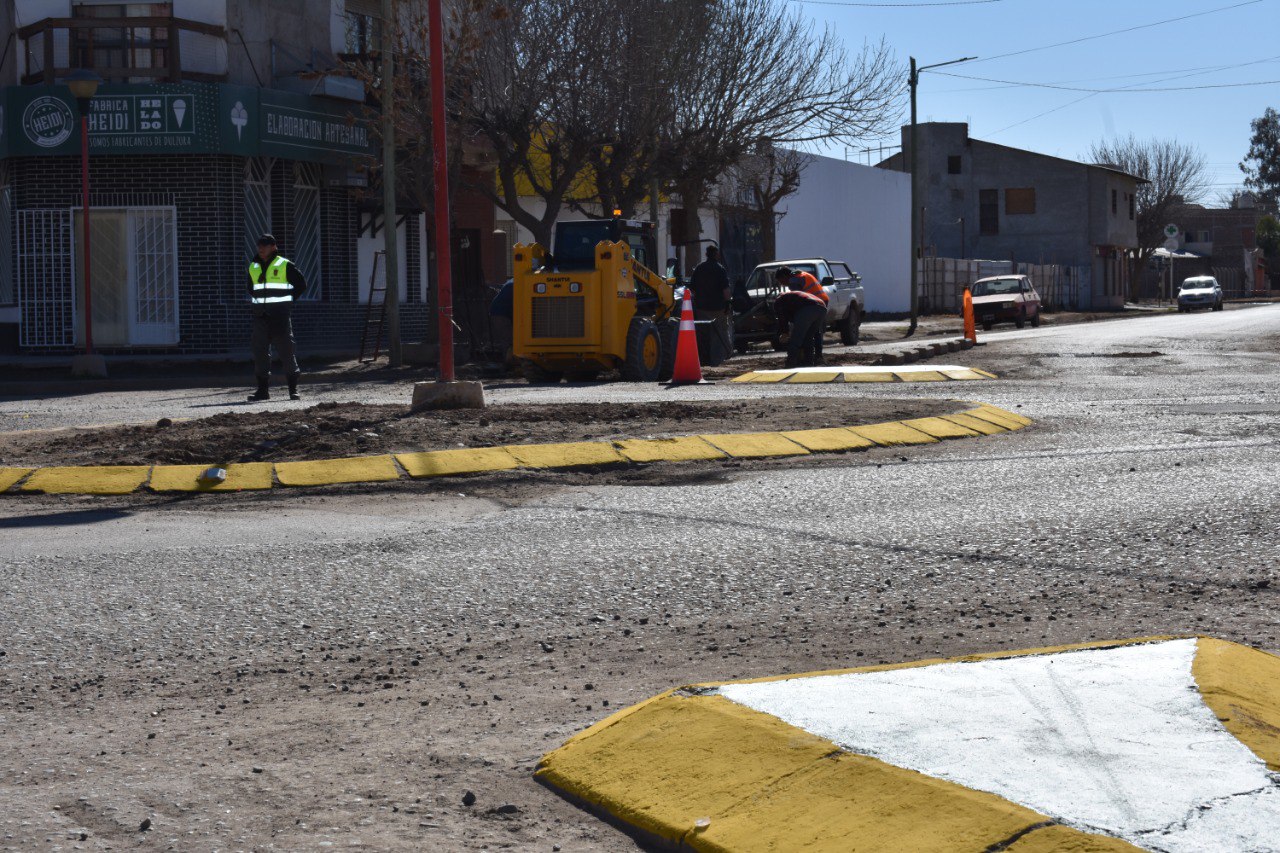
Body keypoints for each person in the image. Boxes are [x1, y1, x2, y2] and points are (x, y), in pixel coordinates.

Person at [247, 234, 306, 401]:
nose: (261, 248)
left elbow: (301, 285)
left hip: (279, 315)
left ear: (273, 247)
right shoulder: (253, 266)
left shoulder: (284, 265)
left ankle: (293, 390)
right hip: (260, 317)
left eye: (265, 245)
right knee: (260, 353)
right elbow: (251, 288)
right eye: (259, 245)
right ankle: (262, 391)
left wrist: (286, 302)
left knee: (287, 351)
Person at [688, 245, 733, 365]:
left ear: (706, 254)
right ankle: (719, 359)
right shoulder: (720, 269)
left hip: (702, 308)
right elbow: (726, 290)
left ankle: (703, 360)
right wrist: (728, 303)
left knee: (703, 334)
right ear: (716, 254)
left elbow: (692, 289)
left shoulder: (699, 268)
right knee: (720, 333)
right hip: (718, 308)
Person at [773, 280, 827, 367]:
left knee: (796, 338)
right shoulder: (793, 296)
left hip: (808, 308)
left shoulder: (779, 301)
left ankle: (791, 362)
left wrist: (784, 332)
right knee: (808, 337)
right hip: (822, 307)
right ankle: (808, 361)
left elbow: (782, 319)